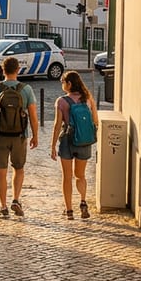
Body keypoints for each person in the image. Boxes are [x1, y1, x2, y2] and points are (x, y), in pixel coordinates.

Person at [0, 56, 39, 218]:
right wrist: (35, 135)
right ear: (18, 70)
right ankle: (16, 199)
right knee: (18, 168)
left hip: (0, 135)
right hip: (20, 136)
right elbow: (33, 116)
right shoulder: (26, 90)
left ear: (3, 70)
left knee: (1, 171)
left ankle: (3, 206)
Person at [50, 70, 100, 220]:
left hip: (67, 141)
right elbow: (95, 121)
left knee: (67, 176)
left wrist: (53, 145)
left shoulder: (62, 101)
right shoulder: (88, 98)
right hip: (84, 141)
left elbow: (57, 125)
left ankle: (69, 210)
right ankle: (83, 202)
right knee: (80, 175)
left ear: (69, 84)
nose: (62, 85)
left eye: (63, 82)